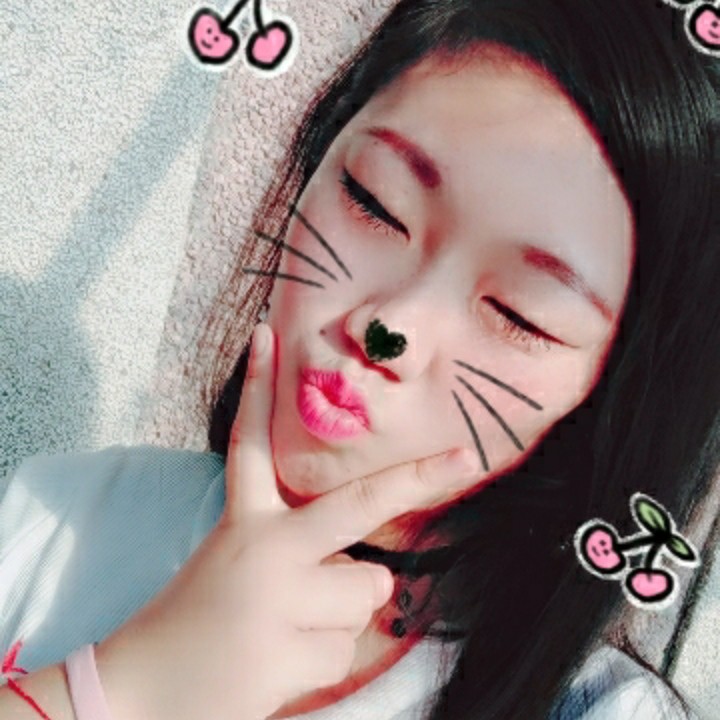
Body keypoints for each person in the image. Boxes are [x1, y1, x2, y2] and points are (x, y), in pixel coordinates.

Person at [1, 0, 718, 718]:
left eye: (519, 313)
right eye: (374, 201)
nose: (387, 328)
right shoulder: (54, 519)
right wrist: (119, 689)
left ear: (610, 394)